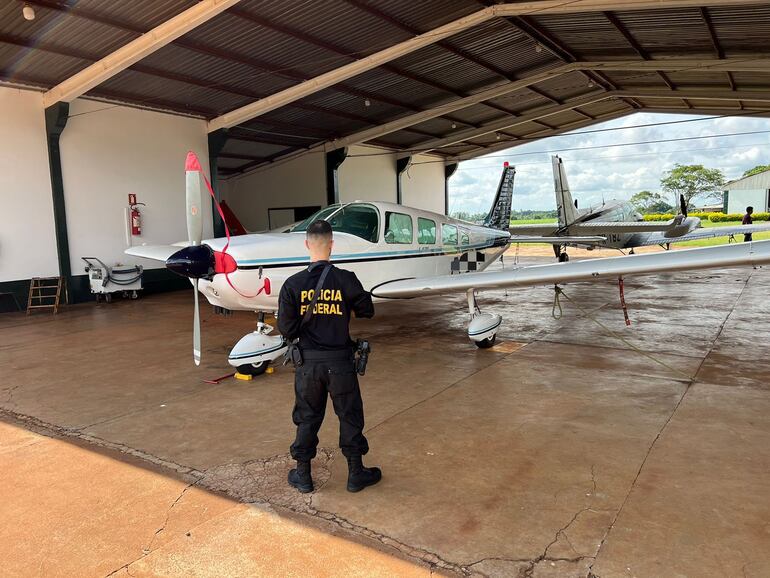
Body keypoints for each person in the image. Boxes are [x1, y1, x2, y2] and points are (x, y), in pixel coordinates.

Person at [278, 219, 381, 494]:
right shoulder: (346, 279)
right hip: (340, 363)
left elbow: (286, 329)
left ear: (306, 245)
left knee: (307, 417)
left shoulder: (292, 284)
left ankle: (303, 476)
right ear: (332, 245)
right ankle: (355, 473)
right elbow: (367, 310)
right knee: (349, 416)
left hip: (308, 366)